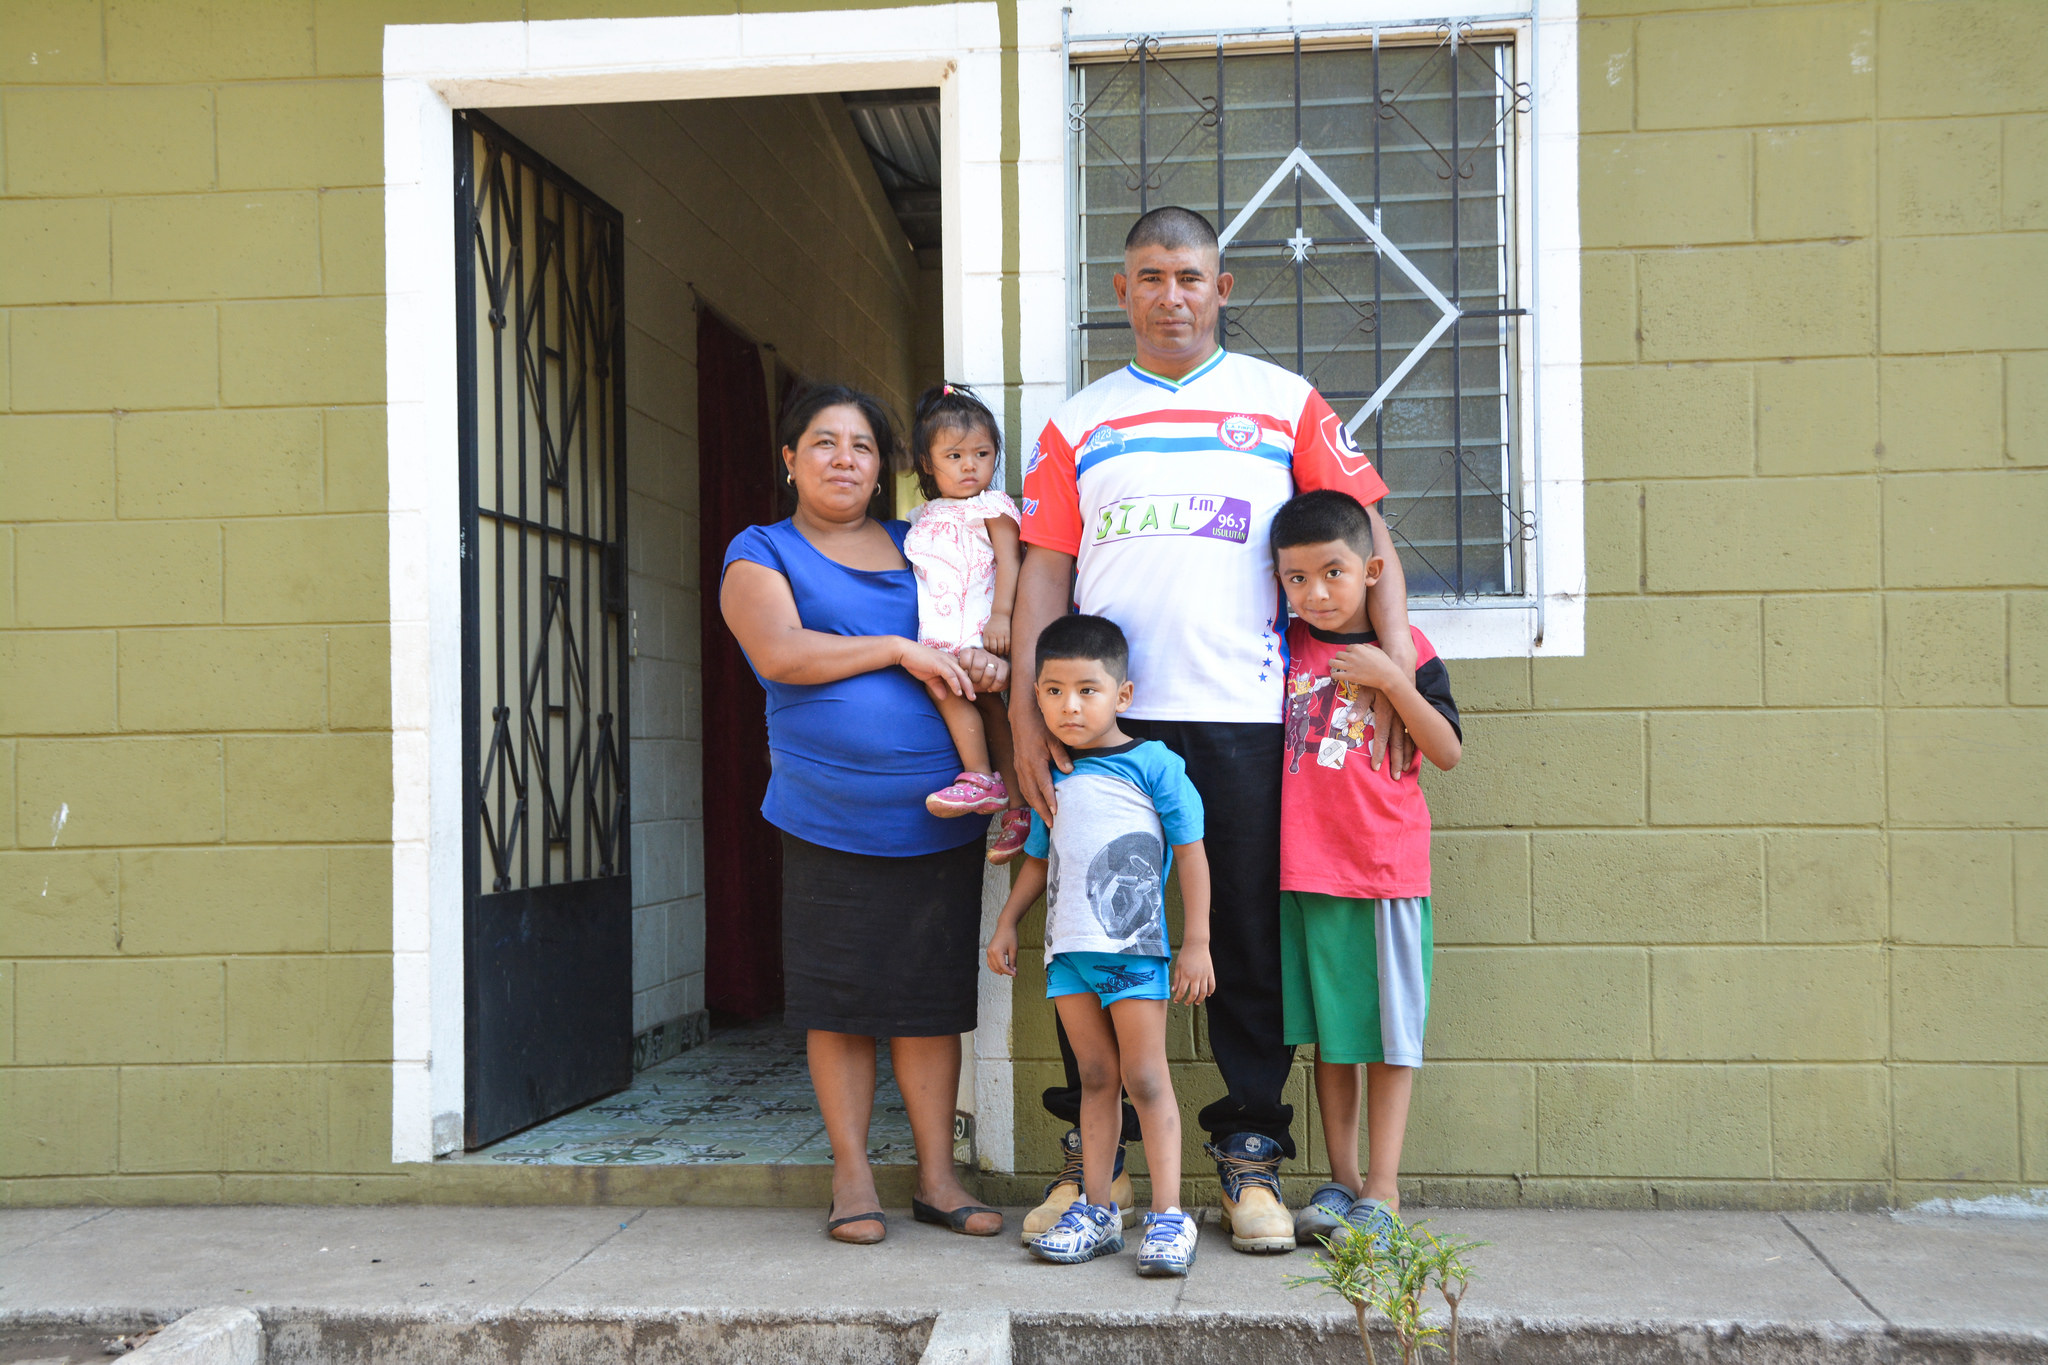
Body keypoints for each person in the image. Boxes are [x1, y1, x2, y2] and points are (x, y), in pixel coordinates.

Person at [1010, 205, 1417, 1253]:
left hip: (1246, 718)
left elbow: (1365, 538)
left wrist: (1392, 669)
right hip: (1104, 726)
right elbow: (1043, 572)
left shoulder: (1281, 405)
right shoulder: (1079, 423)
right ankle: (1090, 1171)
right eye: (1148, 277)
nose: (1170, 295)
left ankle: (1248, 1160)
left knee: (1238, 937)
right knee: (1094, 936)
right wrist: (1025, 711)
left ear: (1220, 288)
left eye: (1188, 276)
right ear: (1121, 293)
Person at [719, 383, 1005, 1245]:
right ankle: (850, 1177)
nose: (845, 459)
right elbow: (781, 652)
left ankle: (935, 1177)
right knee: (837, 1000)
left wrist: (982, 668)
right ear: (790, 458)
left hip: (938, 811)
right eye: (824, 443)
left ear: (887, 468)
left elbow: (968, 622)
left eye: (863, 447)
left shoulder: (917, 539)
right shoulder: (760, 549)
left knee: (926, 1000)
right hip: (825, 814)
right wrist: (896, 646)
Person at [985, 614, 1212, 1276]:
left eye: (1087, 689)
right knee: (1094, 1077)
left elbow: (1192, 852)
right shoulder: (1050, 774)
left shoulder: (1155, 764)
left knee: (1145, 1076)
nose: (1069, 705)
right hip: (1069, 956)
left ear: (1124, 695)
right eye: (1052, 691)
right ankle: (1097, 1207)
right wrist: (1007, 923)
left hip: (1135, 952)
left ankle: (1169, 1216)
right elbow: (1036, 858)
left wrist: (1196, 940)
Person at [1268, 490, 1462, 1249]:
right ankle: (1340, 1181)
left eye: (1334, 572)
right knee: (1332, 1037)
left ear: (1372, 569)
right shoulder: (1282, 649)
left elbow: (1445, 750)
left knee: (1388, 1037)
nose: (1315, 593)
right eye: (1296, 578)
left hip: (1385, 873)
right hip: (1306, 874)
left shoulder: (1405, 645)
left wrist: (1391, 677)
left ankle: (1383, 1186)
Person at [901, 383, 1034, 863]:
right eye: (954, 455)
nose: (969, 465)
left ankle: (1014, 802)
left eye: (981, 453)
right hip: (939, 637)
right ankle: (983, 780)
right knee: (945, 691)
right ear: (926, 463)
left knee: (995, 710)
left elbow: (1011, 563)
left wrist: (1001, 618)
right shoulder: (922, 516)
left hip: (981, 630)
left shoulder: (993, 508)